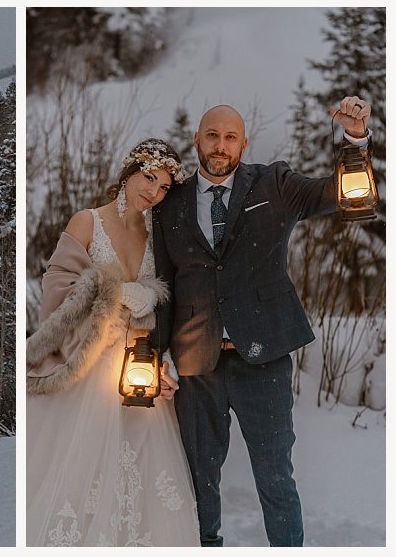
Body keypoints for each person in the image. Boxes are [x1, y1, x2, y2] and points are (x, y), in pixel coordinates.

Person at [153, 97, 371, 547]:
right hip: (197, 366)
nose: (220, 145)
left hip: (264, 360)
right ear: (197, 139)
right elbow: (162, 284)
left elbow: (334, 192)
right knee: (199, 477)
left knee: (275, 474)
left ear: (243, 143)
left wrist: (355, 140)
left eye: (230, 137)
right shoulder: (169, 203)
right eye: (212, 135)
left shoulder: (274, 183)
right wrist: (154, 356)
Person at [26, 138, 198, 546]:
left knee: (140, 475)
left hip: (137, 368)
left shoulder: (160, 235)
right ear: (129, 172)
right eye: (148, 178)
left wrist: (152, 305)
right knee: (78, 472)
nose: (153, 192)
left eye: (163, 188)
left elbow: (173, 300)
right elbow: (56, 295)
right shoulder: (87, 221)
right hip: (87, 365)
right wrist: (111, 291)